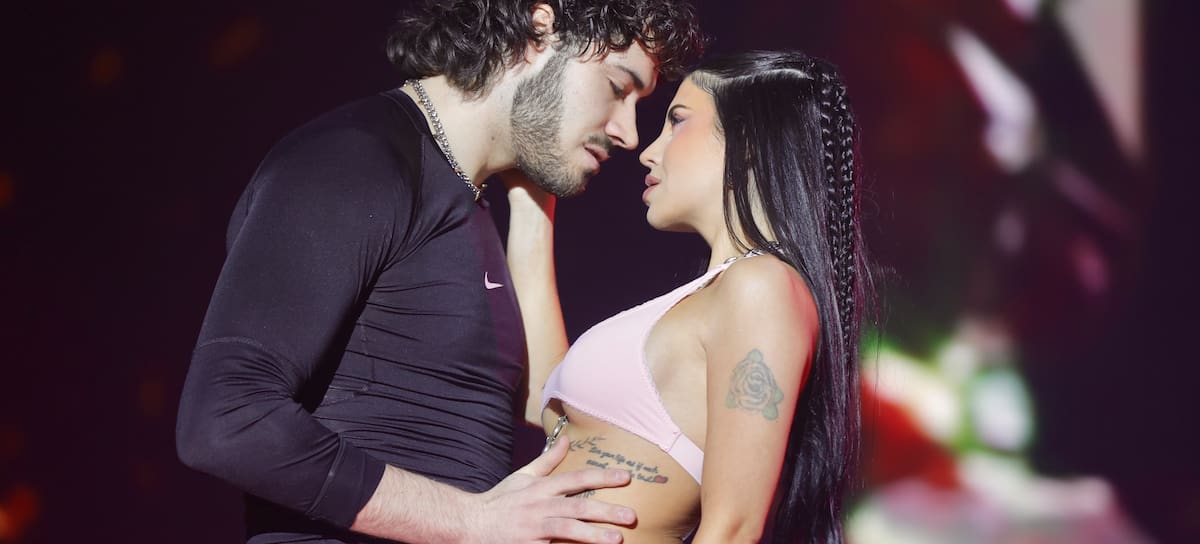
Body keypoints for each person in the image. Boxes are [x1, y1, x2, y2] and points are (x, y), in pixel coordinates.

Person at [174, 1, 703, 543]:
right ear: (540, 29)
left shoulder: (463, 196)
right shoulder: (355, 158)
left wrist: (532, 203)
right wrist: (469, 521)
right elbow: (225, 420)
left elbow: (549, 405)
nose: (629, 133)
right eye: (618, 87)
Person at [515, 50, 874, 543]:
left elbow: (733, 528)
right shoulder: (717, 293)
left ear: (748, 141)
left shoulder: (762, 287)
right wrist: (530, 196)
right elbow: (544, 396)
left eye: (677, 121)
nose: (647, 151)